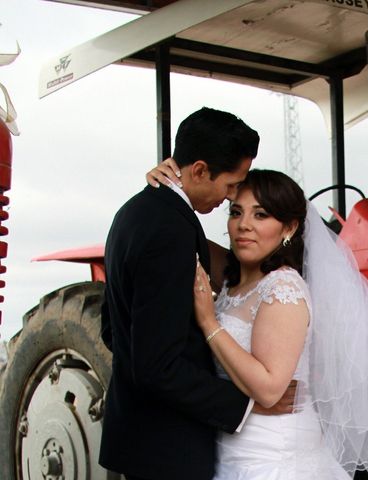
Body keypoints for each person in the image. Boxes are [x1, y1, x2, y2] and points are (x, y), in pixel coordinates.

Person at [147, 163, 368, 479]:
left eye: (260, 215)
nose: (244, 225)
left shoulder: (283, 288)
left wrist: (209, 322)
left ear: (289, 228)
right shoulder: (231, 276)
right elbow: (182, 234)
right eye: (235, 212)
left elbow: (270, 390)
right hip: (231, 450)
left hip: (276, 458)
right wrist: (166, 188)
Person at [100, 108, 294, 480]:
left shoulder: (133, 213)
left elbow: (113, 330)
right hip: (169, 447)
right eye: (231, 185)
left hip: (139, 438)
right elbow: (157, 367)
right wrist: (246, 405)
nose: (231, 196)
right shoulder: (170, 230)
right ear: (200, 170)